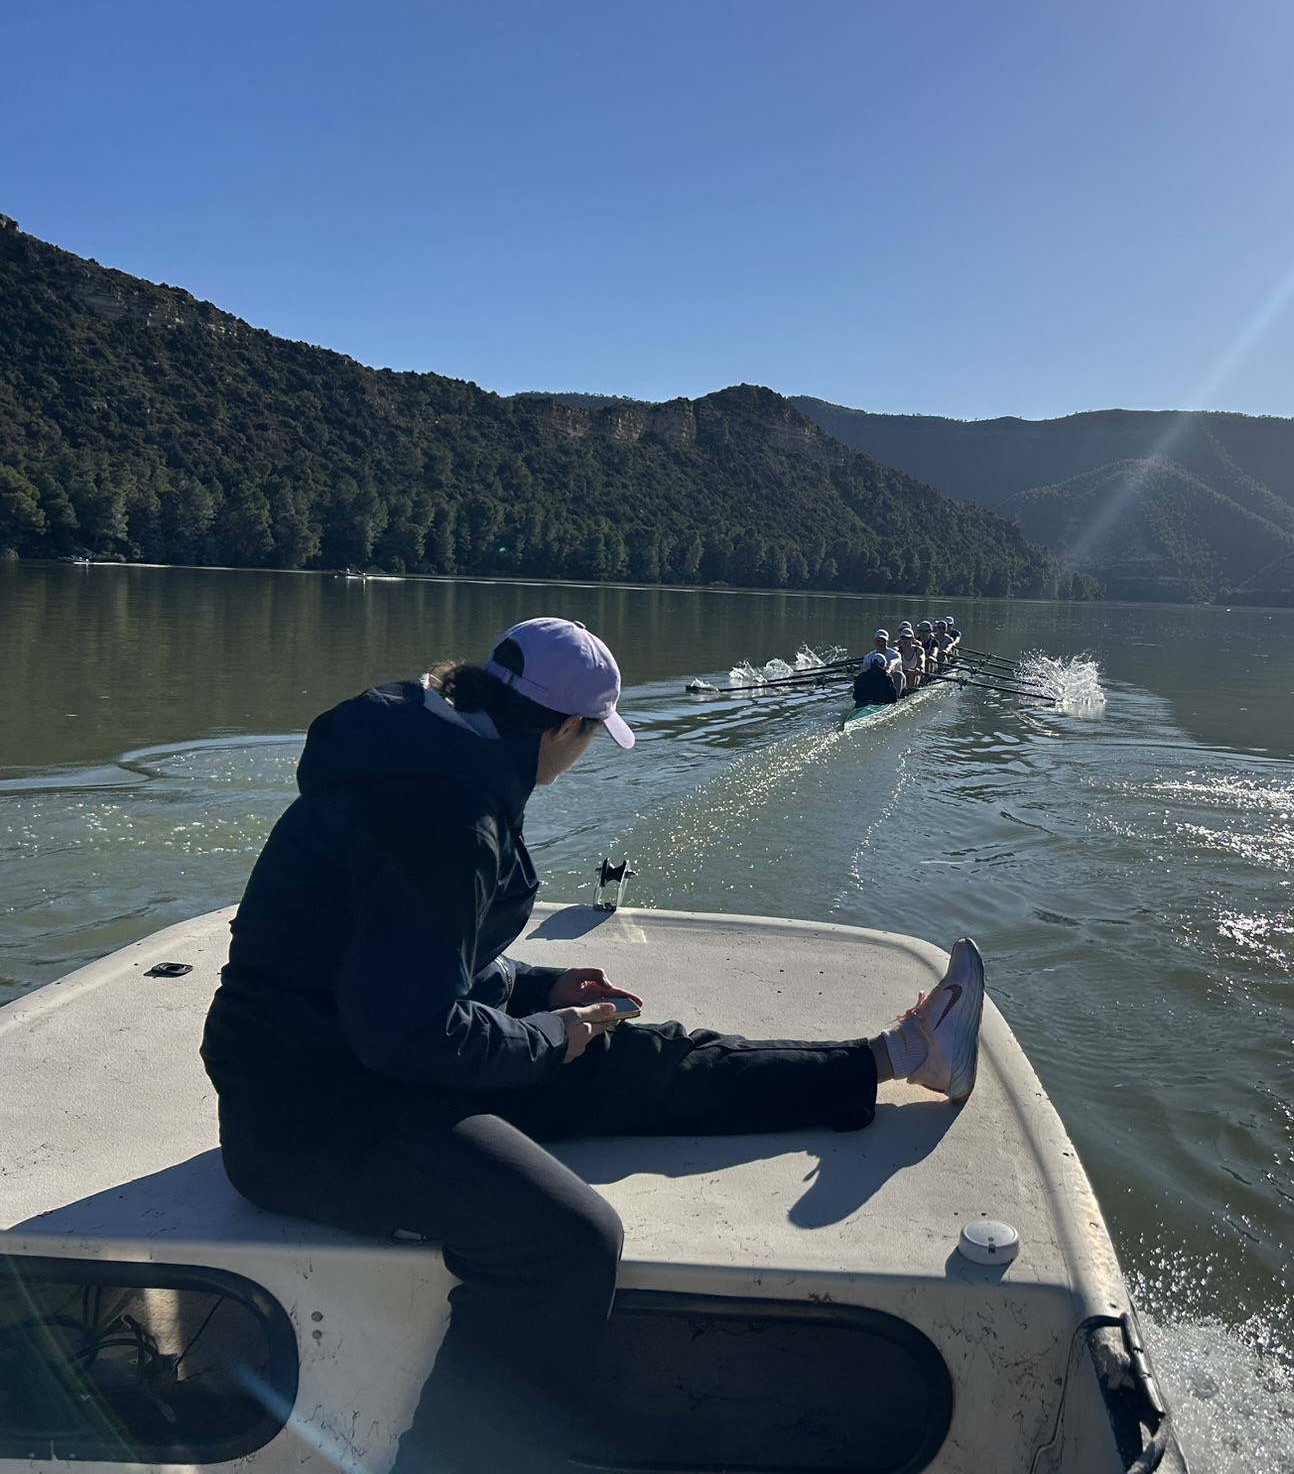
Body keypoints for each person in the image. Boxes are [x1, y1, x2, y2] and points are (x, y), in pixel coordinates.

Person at [200, 617, 985, 1474]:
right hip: (306, 1119)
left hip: (362, 1063)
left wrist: (538, 991)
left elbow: (400, 961)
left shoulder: (433, 758)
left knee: (642, 1055)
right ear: (565, 727)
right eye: (589, 738)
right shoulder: (448, 811)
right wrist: (548, 1037)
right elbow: (407, 1028)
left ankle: (898, 1057)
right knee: (565, 1241)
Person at [852, 633, 901, 705]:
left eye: (883, 641)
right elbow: (893, 699)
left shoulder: (861, 677)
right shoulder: (887, 678)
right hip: (881, 699)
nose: (881, 643)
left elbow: (855, 696)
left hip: (864, 700)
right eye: (878, 640)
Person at [896, 621, 926, 690]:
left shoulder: (918, 650)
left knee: (912, 674)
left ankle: (909, 692)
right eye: (903, 638)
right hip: (902, 675)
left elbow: (921, 660)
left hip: (915, 675)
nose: (905, 640)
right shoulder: (897, 650)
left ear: (912, 639)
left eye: (907, 638)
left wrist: (920, 667)